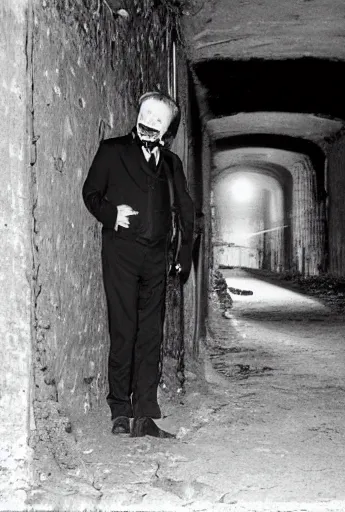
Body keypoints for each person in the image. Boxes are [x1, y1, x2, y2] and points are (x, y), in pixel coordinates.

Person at [82, 91, 195, 437]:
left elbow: (186, 211)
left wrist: (183, 256)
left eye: (159, 118)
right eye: (146, 113)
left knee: (151, 335)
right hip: (121, 253)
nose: (150, 121)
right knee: (124, 329)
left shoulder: (172, 164)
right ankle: (120, 409)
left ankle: (145, 413)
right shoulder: (112, 151)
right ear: (138, 115)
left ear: (167, 129)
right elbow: (90, 193)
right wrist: (111, 214)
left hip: (157, 258)